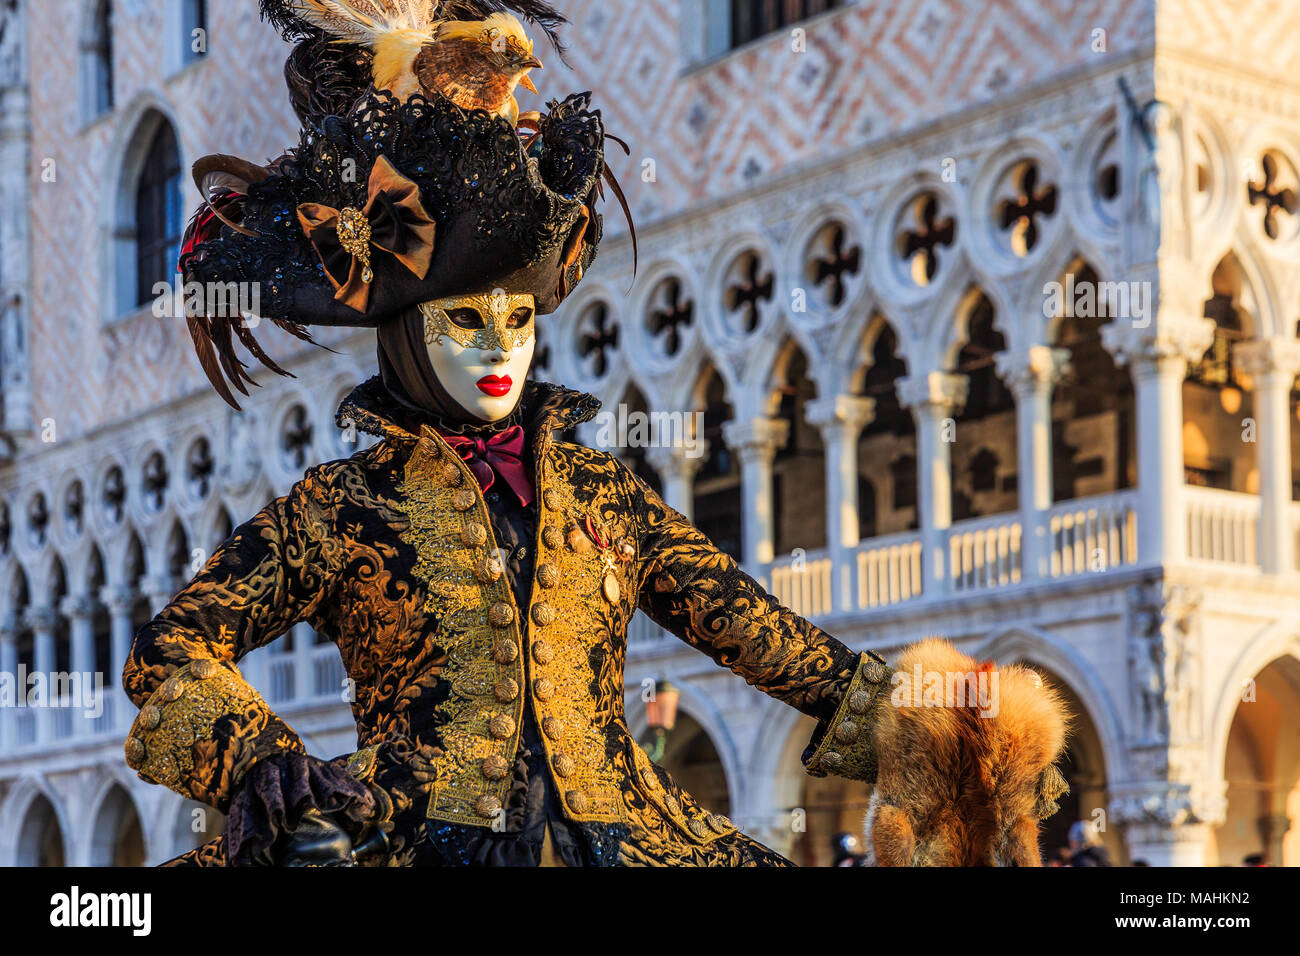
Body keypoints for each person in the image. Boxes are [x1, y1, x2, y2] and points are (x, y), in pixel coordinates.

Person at [121, 0, 1069, 868]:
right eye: (465, 321)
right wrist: (265, 766)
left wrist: (941, 725)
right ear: (407, 334)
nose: (501, 348)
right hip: (411, 842)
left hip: (629, 840)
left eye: (519, 320)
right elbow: (171, 649)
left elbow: (754, 632)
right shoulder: (340, 507)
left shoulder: (601, 494)